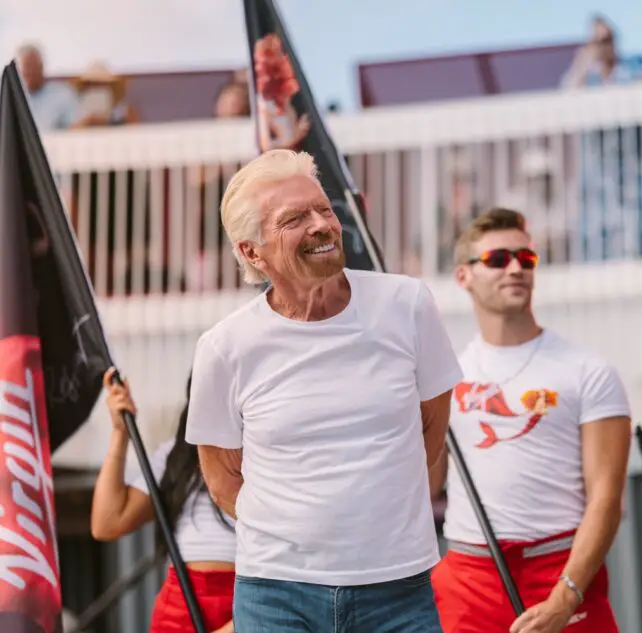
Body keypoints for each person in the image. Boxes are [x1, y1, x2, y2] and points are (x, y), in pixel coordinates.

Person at [184, 149, 462, 632]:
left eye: (324, 209)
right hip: (276, 594)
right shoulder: (224, 347)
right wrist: (298, 538)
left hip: (400, 587)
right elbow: (222, 477)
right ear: (252, 251)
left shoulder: (408, 305)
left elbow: (430, 437)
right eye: (294, 218)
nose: (321, 225)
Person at [430, 207, 633, 633]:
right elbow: (424, 485)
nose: (515, 268)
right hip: (468, 575)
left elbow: (607, 500)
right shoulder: (445, 375)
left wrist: (565, 596)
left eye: (526, 258)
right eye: (497, 259)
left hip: (560, 568)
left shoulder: (587, 370)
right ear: (463, 276)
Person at [90, 369, 236, 633]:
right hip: (181, 603)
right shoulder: (176, 455)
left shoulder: (268, 455)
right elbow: (107, 523)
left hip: (248, 601)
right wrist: (119, 432)